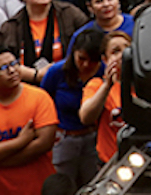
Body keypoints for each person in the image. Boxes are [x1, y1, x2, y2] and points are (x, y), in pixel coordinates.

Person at [0, 46, 58, 195]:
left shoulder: (39, 97)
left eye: (14, 64)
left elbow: (44, 144)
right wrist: (21, 142)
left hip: (39, 188)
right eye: (3, 68)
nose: (12, 70)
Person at [0, 0, 88, 85]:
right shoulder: (11, 26)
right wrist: (35, 75)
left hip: (68, 82)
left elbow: (89, 44)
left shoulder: (70, 14)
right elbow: (0, 61)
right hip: (25, 86)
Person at [38, 28, 104, 187]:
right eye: (82, 58)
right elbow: (43, 101)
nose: (86, 65)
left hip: (94, 138)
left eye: (93, 61)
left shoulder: (104, 71)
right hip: (64, 139)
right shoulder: (57, 72)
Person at [79, 31, 129, 165]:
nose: (123, 54)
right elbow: (85, 117)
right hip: (110, 162)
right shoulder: (97, 85)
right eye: (115, 51)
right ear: (105, 60)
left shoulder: (146, 83)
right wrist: (107, 86)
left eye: (127, 48)